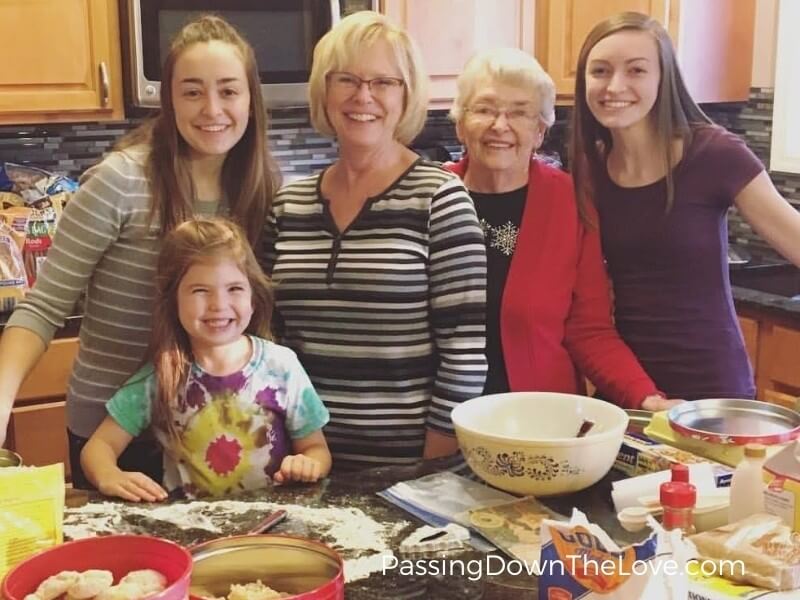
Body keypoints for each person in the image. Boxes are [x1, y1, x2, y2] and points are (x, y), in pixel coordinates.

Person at [0, 15, 281, 487]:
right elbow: (44, 308)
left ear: (251, 99)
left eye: (229, 91)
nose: (212, 108)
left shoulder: (262, 190)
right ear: (169, 100)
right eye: (192, 91)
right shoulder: (120, 181)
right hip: (112, 439)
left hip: (213, 430)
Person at [263, 11, 487, 470]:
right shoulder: (288, 204)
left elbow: (463, 357)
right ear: (324, 92)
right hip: (300, 463)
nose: (363, 96)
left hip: (407, 466)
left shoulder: (439, 199)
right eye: (346, 79)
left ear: (407, 96)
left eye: (384, 81)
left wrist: (429, 471)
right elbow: (268, 339)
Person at [570, 12, 800, 400]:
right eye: (600, 71)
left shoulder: (714, 153)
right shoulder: (589, 167)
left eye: (636, 70)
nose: (614, 85)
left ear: (664, 78)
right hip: (630, 386)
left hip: (711, 384)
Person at [446, 48, 676, 411]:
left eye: (520, 112)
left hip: (543, 422)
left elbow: (590, 329)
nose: (500, 126)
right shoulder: (428, 196)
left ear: (539, 131)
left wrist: (646, 397)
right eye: (485, 109)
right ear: (460, 124)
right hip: (441, 425)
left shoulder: (568, 204)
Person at [81, 218, 331, 501]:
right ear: (172, 300)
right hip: (196, 531)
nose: (219, 304)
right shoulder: (162, 376)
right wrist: (108, 474)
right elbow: (99, 446)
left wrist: (308, 465)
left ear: (253, 296)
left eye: (234, 288)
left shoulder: (282, 367)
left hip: (272, 527)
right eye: (200, 290)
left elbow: (316, 449)